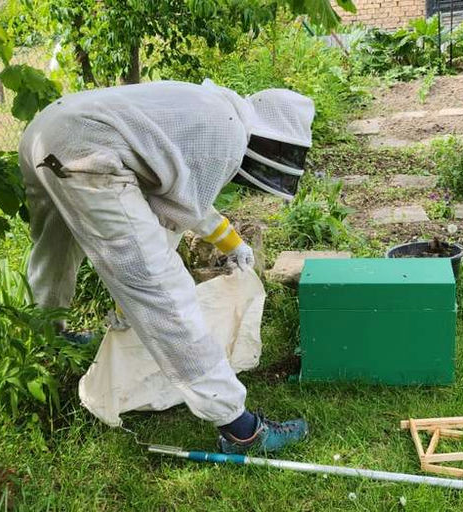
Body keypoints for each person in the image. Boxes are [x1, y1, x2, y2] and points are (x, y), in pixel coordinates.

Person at [18, 80, 313, 454]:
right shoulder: (227, 136)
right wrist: (133, 297)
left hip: (45, 134)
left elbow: (177, 192)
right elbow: (166, 227)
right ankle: (241, 429)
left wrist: (230, 241)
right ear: (271, 139)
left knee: (54, 249)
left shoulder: (211, 110)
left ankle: (44, 343)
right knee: (167, 295)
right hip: (89, 156)